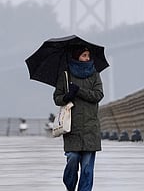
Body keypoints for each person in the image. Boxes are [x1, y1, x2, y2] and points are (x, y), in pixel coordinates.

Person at [53, 45, 104, 191]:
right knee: (72, 159)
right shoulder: (65, 75)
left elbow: (98, 95)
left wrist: (79, 91)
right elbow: (57, 98)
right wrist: (66, 97)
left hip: (90, 128)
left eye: (88, 55)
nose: (87, 58)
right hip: (72, 128)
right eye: (84, 55)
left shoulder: (95, 74)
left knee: (87, 169)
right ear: (76, 56)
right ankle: (70, 187)